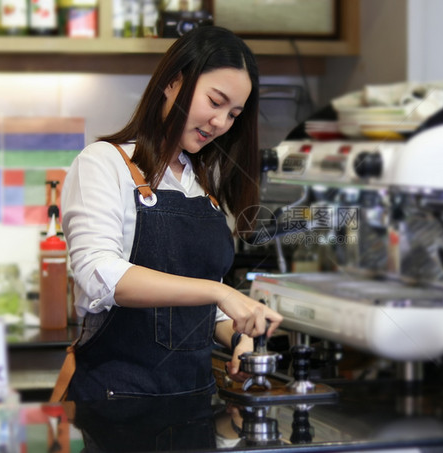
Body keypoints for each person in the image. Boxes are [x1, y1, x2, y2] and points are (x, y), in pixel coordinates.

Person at [54, 25, 283, 401]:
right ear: (173, 81)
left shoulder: (202, 186)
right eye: (215, 101)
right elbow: (99, 275)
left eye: (234, 114)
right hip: (117, 406)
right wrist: (218, 292)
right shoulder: (104, 163)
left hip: (193, 402)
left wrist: (239, 335)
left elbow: (197, 310)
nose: (221, 123)